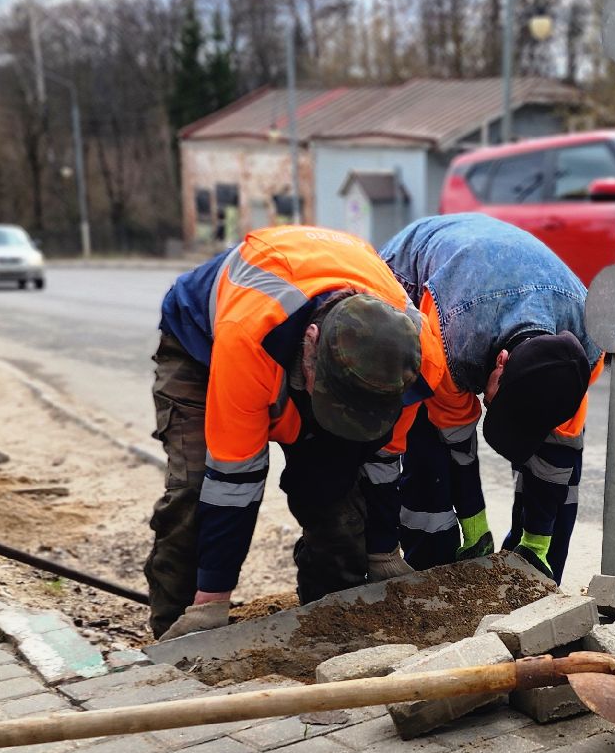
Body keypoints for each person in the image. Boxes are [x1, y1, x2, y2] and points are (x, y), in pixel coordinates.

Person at [144, 225, 438, 640]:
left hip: (318, 351)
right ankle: (175, 640)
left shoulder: (411, 359)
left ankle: (327, 628)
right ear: (311, 343)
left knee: (338, 506)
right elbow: (234, 480)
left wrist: (383, 550)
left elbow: (384, 459)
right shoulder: (250, 335)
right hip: (203, 348)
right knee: (195, 493)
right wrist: (214, 599)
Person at [374, 213, 603, 582]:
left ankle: (535, 580)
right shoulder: (451, 341)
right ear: (501, 362)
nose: (487, 406)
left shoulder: (584, 355)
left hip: (519, 281)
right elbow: (456, 437)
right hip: (414, 278)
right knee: (428, 452)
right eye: (496, 403)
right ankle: (430, 573)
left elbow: (558, 454)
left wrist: (538, 541)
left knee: (562, 472)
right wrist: (473, 520)